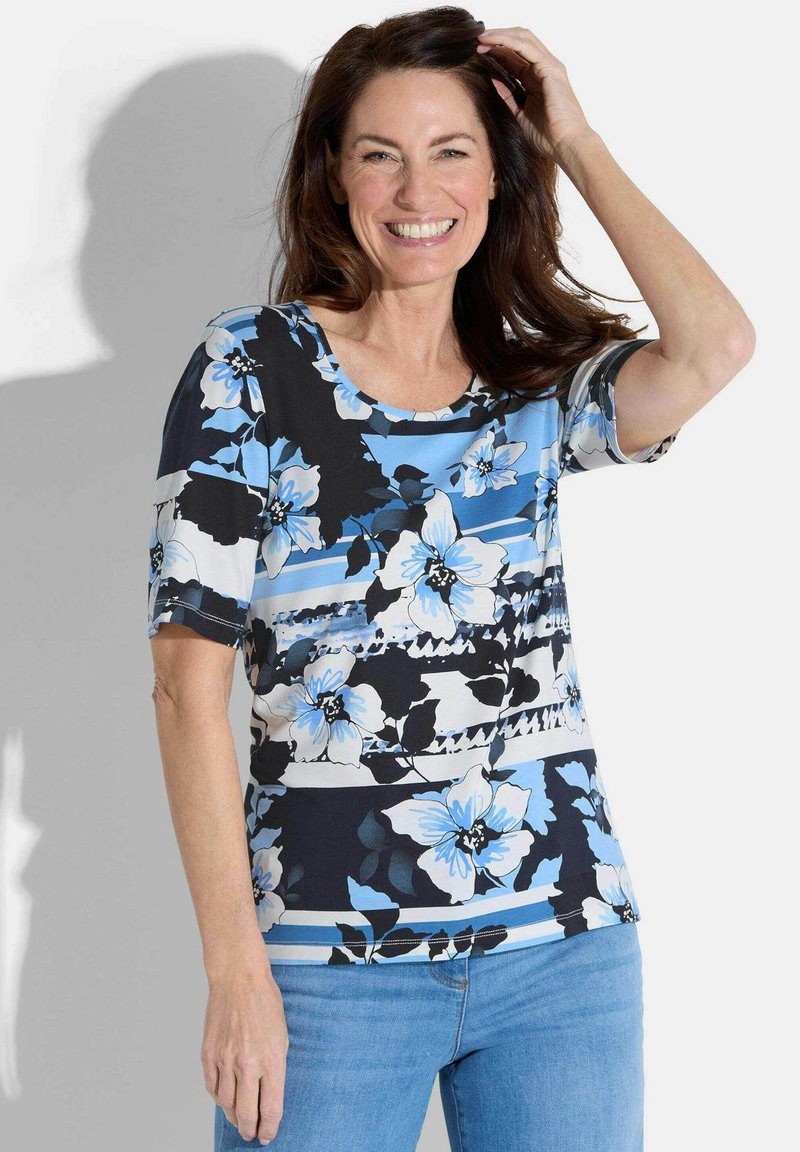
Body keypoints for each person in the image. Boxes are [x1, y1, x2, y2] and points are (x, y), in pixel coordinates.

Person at [147, 8, 755, 1150]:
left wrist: (572, 135)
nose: (416, 190)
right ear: (334, 176)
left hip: (561, 945)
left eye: (452, 151)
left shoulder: (531, 385)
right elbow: (186, 689)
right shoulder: (253, 371)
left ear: (495, 174)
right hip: (327, 962)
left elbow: (713, 346)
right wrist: (235, 971)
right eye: (380, 153)